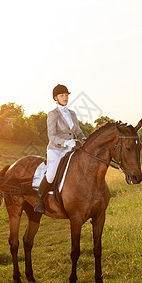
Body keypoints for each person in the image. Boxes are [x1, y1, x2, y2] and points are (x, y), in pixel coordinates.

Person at [34, 84, 86, 214]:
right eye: (62, 95)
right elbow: (51, 136)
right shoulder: (53, 114)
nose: (65, 97)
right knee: (51, 174)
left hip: (70, 149)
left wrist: (85, 141)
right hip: (56, 150)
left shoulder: (72, 113)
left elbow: (78, 132)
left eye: (66, 95)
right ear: (55, 98)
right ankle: (39, 200)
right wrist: (66, 142)